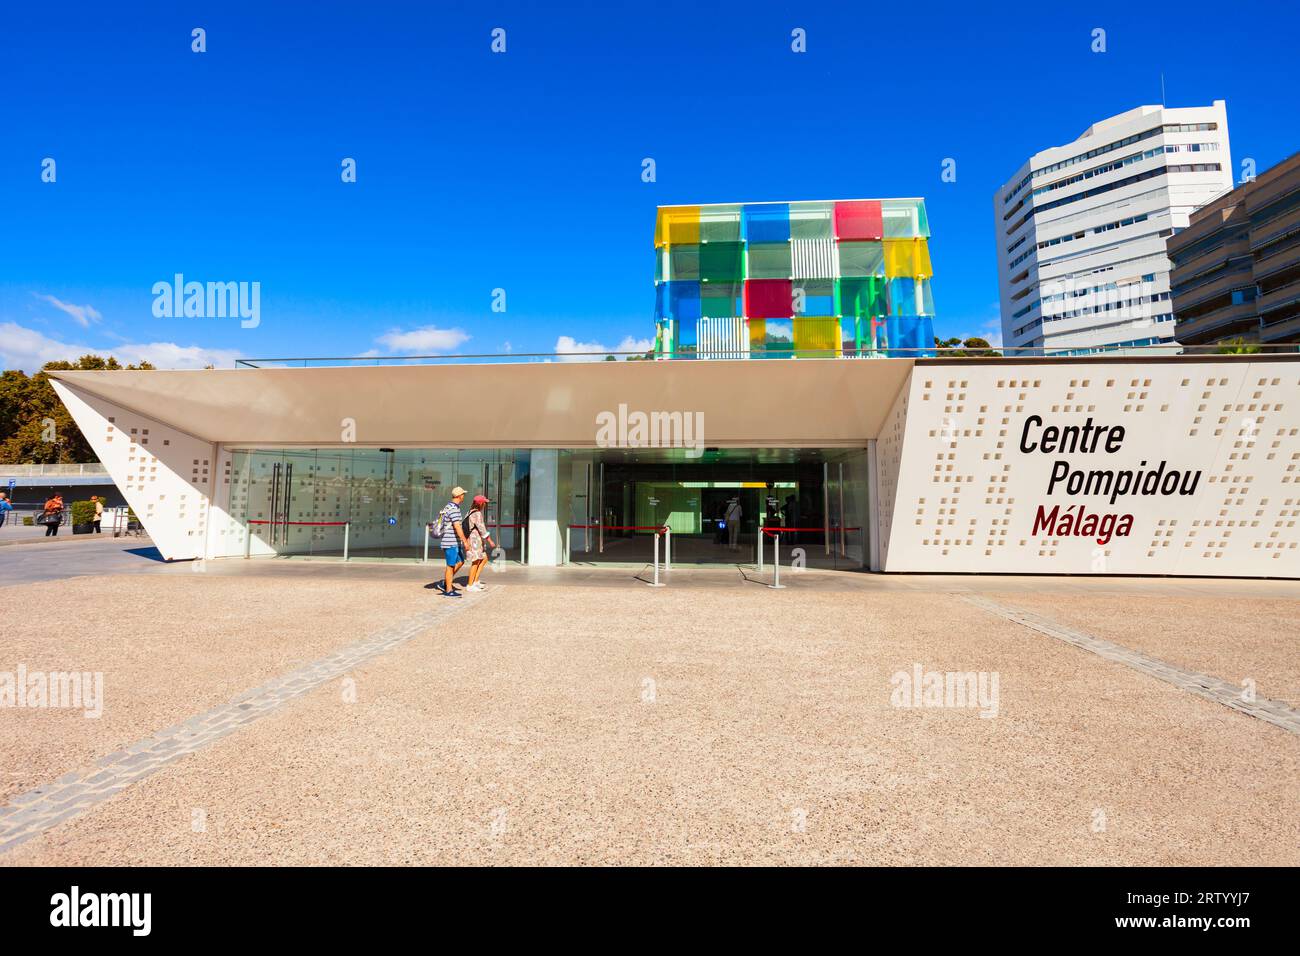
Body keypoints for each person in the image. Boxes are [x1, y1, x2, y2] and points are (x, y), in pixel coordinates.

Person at [432, 486, 469, 598]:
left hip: (454, 542)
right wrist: (465, 541)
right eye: (463, 494)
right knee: (450, 566)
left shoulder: (449, 506)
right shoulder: (453, 509)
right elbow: (457, 527)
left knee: (461, 561)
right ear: (459, 496)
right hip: (450, 542)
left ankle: (445, 582)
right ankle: (448, 590)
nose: (464, 496)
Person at [464, 495, 497, 592]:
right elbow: (482, 528)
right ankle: (470, 585)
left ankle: (475, 581)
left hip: (474, 539)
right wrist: (490, 540)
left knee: (484, 558)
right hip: (474, 540)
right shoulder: (477, 513)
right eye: (484, 503)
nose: (485, 505)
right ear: (480, 503)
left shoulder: (470, 512)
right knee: (475, 561)